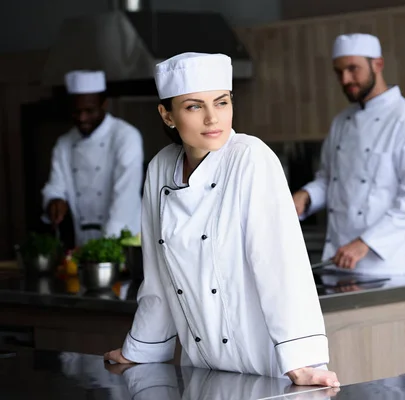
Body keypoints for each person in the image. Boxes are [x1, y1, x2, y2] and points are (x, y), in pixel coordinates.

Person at [104, 53, 339, 388]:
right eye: (194, 106)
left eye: (222, 102)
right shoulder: (159, 168)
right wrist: (141, 348)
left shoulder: (250, 158)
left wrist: (300, 361)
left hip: (268, 364)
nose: (213, 118)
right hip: (204, 367)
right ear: (167, 115)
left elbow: (280, 266)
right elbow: (158, 276)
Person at [293, 33, 405, 277]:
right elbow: (329, 179)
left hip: (384, 266)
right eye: (339, 72)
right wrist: (305, 197)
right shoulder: (341, 122)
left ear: (377, 65)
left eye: (353, 69)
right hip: (336, 260)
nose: (346, 79)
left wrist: (365, 243)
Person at [41, 70, 144, 246]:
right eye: (76, 112)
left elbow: (125, 197)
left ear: (104, 104)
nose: (82, 118)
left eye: (89, 111)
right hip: (83, 240)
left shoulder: (125, 137)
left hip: (125, 239)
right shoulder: (64, 143)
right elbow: (56, 185)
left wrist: (105, 248)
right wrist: (54, 200)